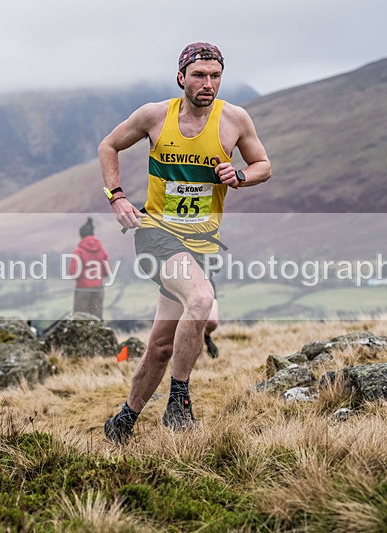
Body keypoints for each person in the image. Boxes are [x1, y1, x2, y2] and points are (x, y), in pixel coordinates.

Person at [98, 42, 271, 443]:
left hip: (203, 243)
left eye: (214, 76)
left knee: (160, 345)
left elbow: (264, 165)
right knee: (200, 298)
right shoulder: (154, 116)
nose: (207, 83)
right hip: (156, 233)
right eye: (199, 75)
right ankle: (179, 401)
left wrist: (241, 176)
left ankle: (122, 421)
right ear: (181, 78)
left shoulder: (234, 119)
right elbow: (108, 145)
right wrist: (117, 197)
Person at [67, 217, 111, 319]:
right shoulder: (102, 251)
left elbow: (73, 272)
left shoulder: (79, 251)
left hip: (83, 288)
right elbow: (107, 270)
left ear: (81, 236)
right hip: (99, 288)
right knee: (97, 317)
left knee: (80, 318)